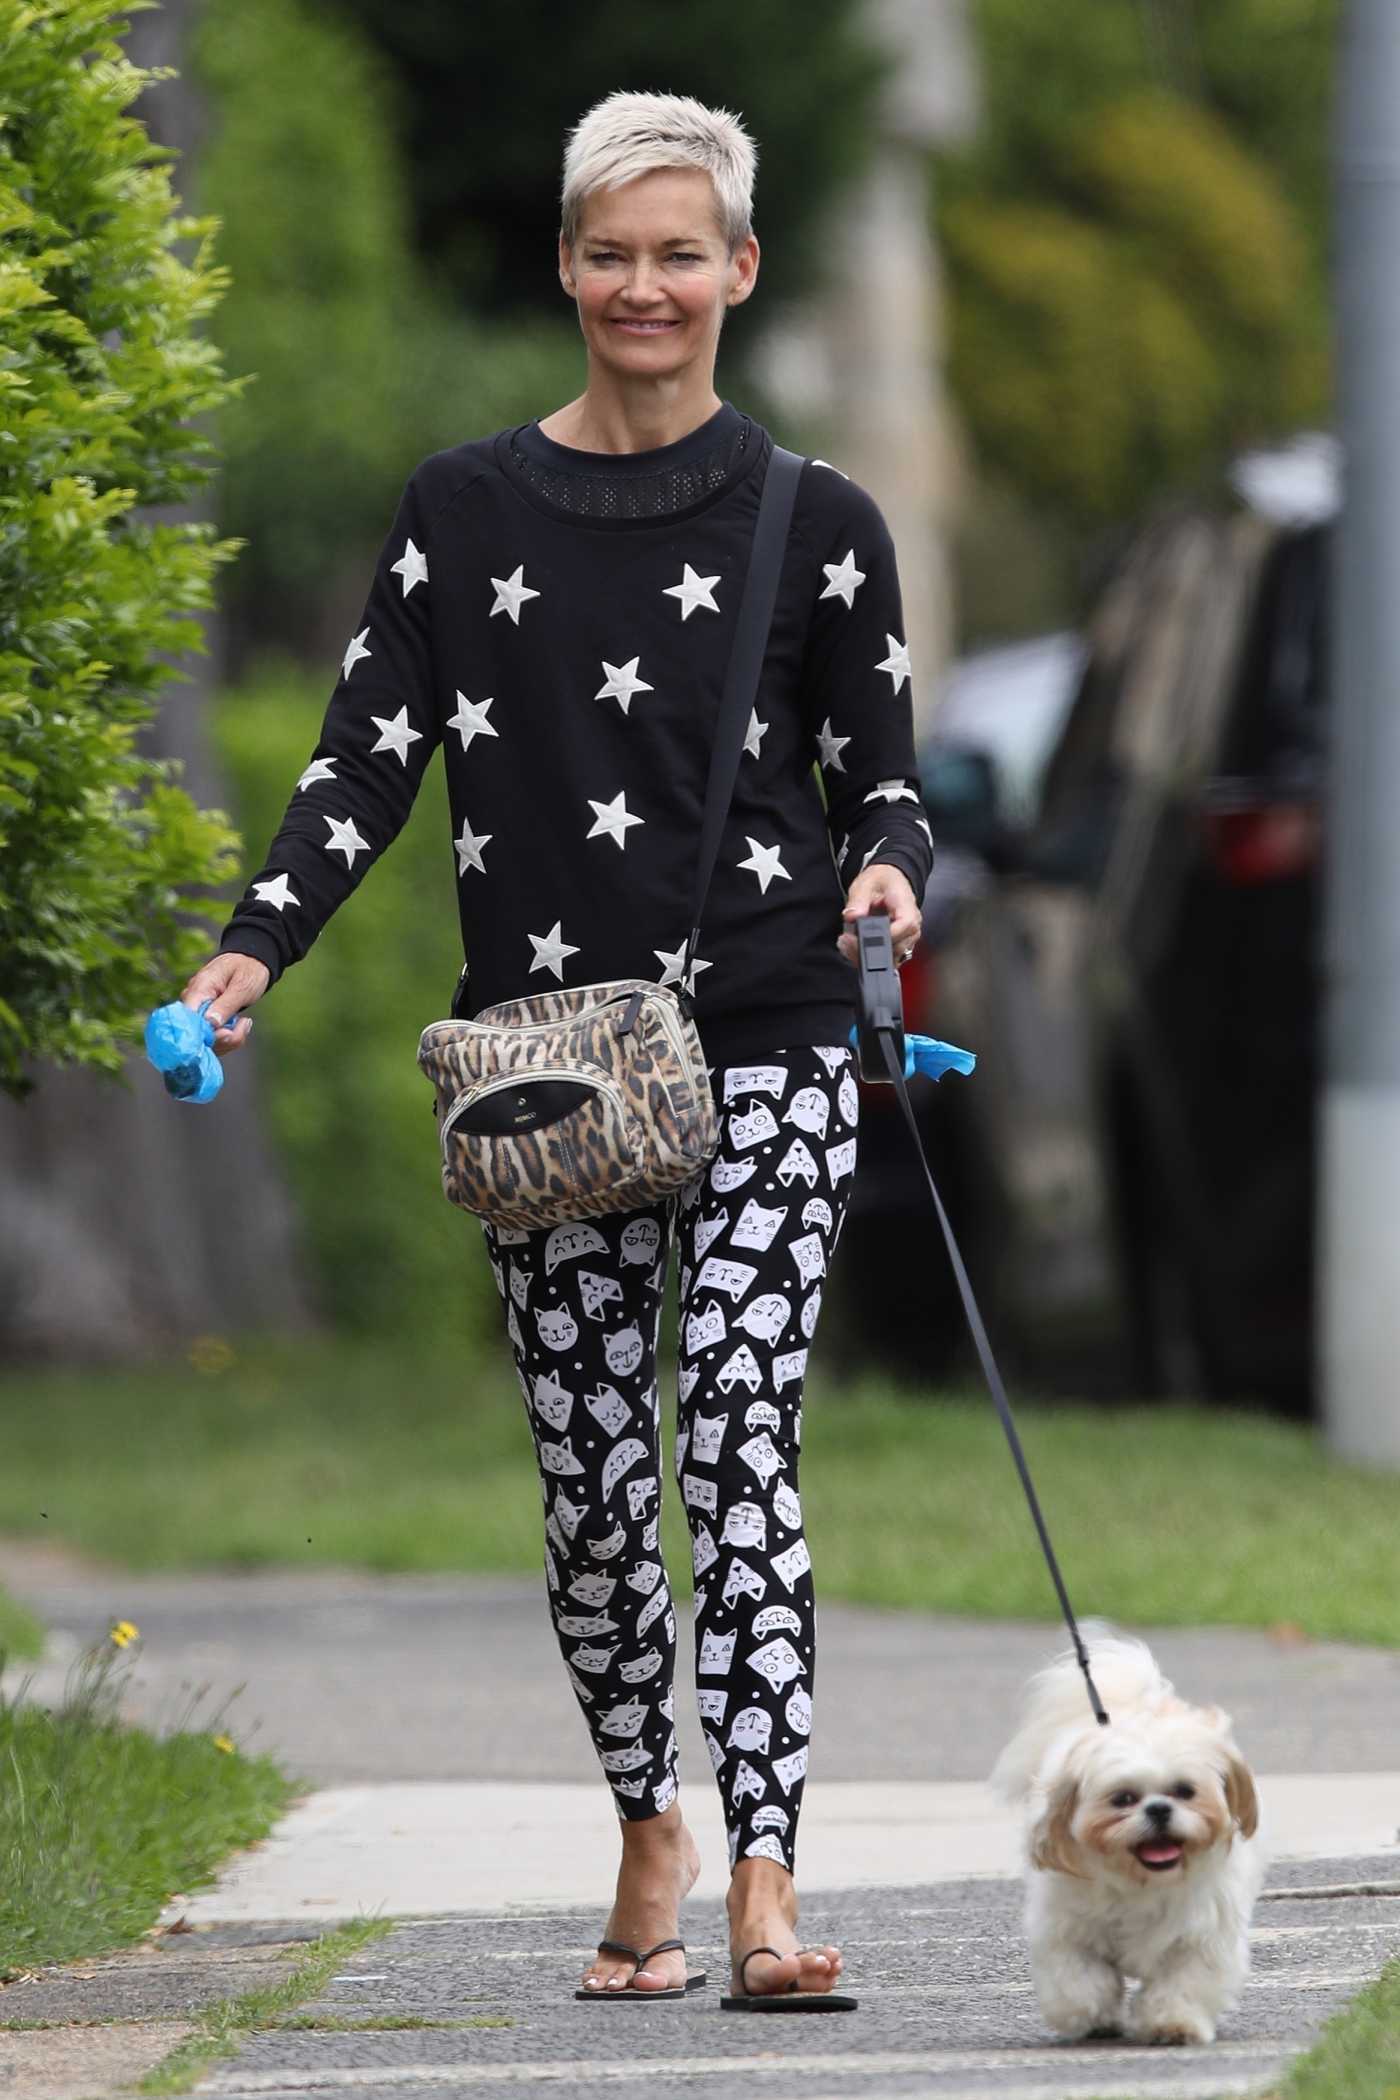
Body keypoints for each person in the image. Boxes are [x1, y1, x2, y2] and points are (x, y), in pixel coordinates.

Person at [183, 88, 933, 2006]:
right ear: (568, 270)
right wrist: (253, 955)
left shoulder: (818, 523)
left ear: (742, 270)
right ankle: (646, 1824)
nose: (645, 285)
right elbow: (364, 763)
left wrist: (883, 891)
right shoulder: (465, 514)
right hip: (547, 1077)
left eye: (682, 251)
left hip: (767, 1040)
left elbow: (887, 791)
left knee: (740, 1432)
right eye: (610, 252)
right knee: (597, 1477)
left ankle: (766, 1872)